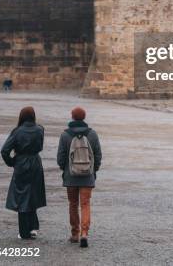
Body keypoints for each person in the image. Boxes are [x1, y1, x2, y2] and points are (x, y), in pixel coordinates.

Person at [57, 106, 102, 248]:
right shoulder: (92, 134)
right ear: (84, 117)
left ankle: (75, 234)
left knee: (73, 204)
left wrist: (65, 169)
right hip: (87, 176)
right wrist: (93, 170)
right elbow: (98, 155)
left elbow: (60, 157)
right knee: (85, 204)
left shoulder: (65, 135)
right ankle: (84, 233)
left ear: (72, 117)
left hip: (70, 176)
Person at [1, 106, 46, 240]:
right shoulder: (40, 129)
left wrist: (12, 162)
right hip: (35, 163)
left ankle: (24, 231)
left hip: (21, 163)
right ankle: (33, 227)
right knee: (33, 194)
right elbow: (40, 146)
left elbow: (4, 150)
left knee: (21, 196)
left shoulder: (17, 131)